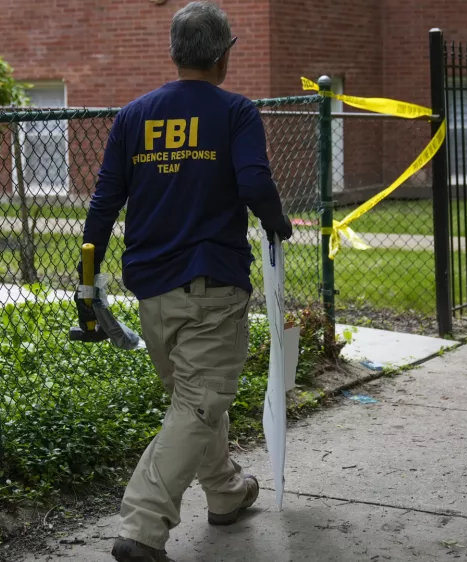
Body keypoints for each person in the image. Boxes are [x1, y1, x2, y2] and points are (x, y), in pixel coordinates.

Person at [75, 2, 293, 560]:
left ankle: (223, 493)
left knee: (194, 398)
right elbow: (253, 180)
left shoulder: (134, 116)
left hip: (152, 290)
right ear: (223, 57)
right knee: (198, 403)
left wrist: (86, 281)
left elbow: (103, 205)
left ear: (175, 54)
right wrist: (277, 222)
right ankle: (142, 527)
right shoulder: (236, 112)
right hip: (212, 286)